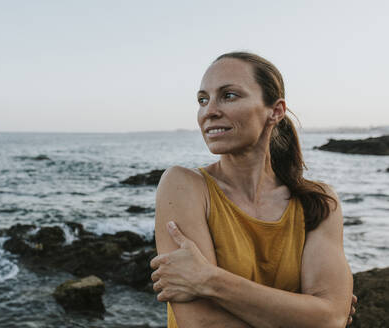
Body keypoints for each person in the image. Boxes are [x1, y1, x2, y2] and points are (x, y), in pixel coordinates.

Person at [150, 52, 357, 327]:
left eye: (229, 95)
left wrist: (209, 280)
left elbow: (330, 317)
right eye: (203, 100)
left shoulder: (318, 202)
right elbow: (202, 323)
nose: (209, 111)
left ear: (276, 111)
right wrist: (303, 313)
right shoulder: (183, 186)